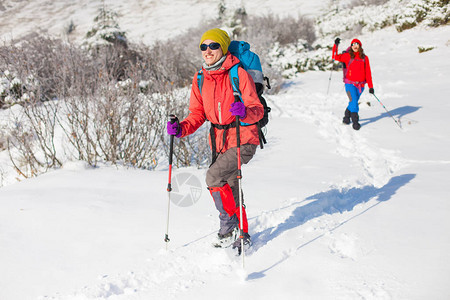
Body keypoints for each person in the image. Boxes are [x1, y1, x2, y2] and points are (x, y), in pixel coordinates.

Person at [167, 28, 264, 252]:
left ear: (223, 48)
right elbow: (197, 114)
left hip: (243, 137)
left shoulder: (239, 73)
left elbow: (257, 110)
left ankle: (228, 225)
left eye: (213, 46)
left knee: (213, 177)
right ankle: (240, 231)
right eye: (203, 46)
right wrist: (180, 129)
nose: (208, 51)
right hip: (220, 141)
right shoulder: (201, 77)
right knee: (230, 185)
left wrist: (244, 112)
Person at [332, 38, 374, 130]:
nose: (355, 46)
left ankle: (346, 117)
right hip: (349, 84)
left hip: (361, 86)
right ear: (351, 46)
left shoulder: (364, 58)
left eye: (357, 44)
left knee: (352, 102)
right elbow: (335, 56)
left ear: (360, 46)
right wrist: (336, 45)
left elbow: (368, 72)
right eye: (353, 44)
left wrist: (371, 87)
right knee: (354, 101)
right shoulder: (347, 56)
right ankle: (355, 122)